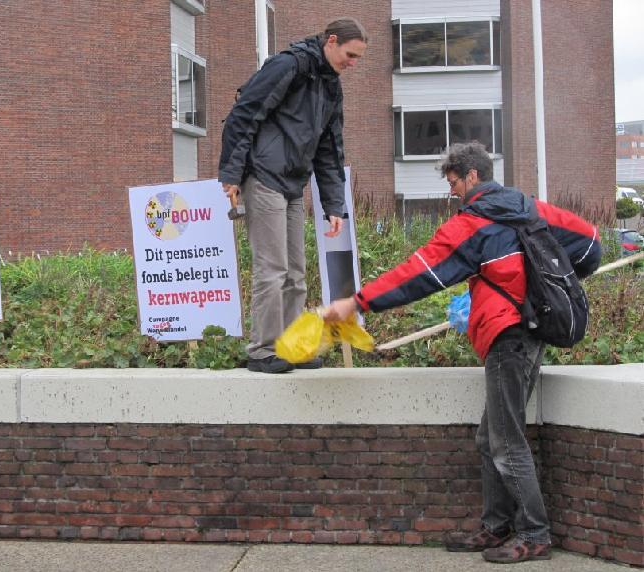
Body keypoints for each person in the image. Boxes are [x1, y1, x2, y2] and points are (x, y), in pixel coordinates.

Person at [322, 141, 601, 564]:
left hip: (507, 337)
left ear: (473, 176)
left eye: (453, 181)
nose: (451, 190)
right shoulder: (530, 208)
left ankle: (535, 534)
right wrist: (539, 291)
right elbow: (591, 246)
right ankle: (496, 526)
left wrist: (356, 303)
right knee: (490, 438)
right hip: (530, 332)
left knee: (506, 441)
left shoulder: (472, 223)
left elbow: (420, 272)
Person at [218, 18, 368, 374]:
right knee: (272, 269)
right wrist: (232, 174)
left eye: (358, 57)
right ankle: (262, 350)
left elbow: (330, 149)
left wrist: (334, 204)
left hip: (292, 183)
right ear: (331, 41)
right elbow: (244, 114)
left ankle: (288, 346)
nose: (353, 63)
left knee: (296, 273)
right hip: (265, 176)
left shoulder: (331, 86)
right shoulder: (289, 65)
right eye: (350, 54)